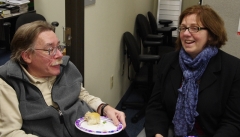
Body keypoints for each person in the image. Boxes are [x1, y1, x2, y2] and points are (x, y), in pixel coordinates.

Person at [0, 21, 128, 137]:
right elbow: (10, 133)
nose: (60, 55)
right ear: (27, 56)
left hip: (88, 130)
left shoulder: (65, 66)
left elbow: (81, 94)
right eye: (50, 49)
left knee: (121, 131)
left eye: (59, 47)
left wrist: (104, 107)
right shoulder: (8, 82)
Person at [143, 4, 240, 137]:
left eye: (195, 28)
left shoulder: (233, 68)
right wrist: (158, 134)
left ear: (211, 34)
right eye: (183, 28)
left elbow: (232, 122)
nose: (186, 33)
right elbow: (156, 107)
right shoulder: (168, 61)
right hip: (172, 131)